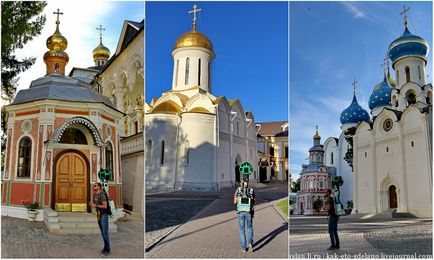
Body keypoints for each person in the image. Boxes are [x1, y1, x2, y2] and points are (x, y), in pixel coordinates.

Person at [233, 179, 256, 253]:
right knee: (249, 228)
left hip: (240, 212)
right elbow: (254, 201)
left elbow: (235, 201)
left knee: (242, 230)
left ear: (241, 184)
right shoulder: (251, 190)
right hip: (249, 212)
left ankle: (243, 248)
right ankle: (250, 244)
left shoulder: (238, 190)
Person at [92, 182, 110, 256]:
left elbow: (105, 206)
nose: (94, 187)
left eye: (95, 186)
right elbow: (96, 205)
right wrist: (93, 206)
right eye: (94, 186)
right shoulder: (95, 195)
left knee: (105, 232)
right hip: (98, 214)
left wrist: (95, 205)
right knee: (102, 232)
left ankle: (107, 248)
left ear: (99, 187)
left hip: (104, 215)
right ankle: (105, 247)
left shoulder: (102, 195)